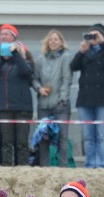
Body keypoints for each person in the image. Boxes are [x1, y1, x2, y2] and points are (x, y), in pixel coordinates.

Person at [0, 25, 34, 167]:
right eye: (2, 34)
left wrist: (17, 54)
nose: (4, 36)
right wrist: (2, 58)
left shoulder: (25, 57)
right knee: (6, 142)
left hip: (22, 108)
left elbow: (26, 72)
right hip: (4, 107)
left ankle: (23, 168)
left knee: (21, 142)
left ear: (14, 37)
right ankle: (7, 168)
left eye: (7, 34)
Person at [71, 24, 104, 168]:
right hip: (85, 100)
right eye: (90, 35)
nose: (93, 38)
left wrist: (102, 42)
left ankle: (101, 164)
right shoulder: (85, 52)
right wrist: (81, 52)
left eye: (95, 35)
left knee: (102, 135)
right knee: (88, 135)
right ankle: (90, 163)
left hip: (103, 99)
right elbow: (73, 67)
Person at [33, 30, 72, 167]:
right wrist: (39, 88)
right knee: (43, 137)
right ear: (47, 42)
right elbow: (34, 78)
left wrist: (63, 100)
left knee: (62, 137)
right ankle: (45, 167)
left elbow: (66, 79)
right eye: (51, 39)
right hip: (44, 105)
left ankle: (63, 166)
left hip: (61, 105)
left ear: (61, 42)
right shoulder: (40, 59)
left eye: (56, 39)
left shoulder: (66, 57)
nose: (53, 41)